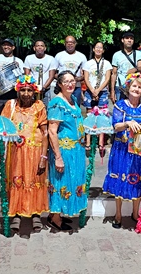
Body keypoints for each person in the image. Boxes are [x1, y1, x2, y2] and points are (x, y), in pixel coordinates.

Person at [102, 73, 141, 229]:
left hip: (139, 151)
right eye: (134, 86)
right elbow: (115, 126)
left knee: (139, 180)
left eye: (139, 87)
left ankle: (135, 212)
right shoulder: (120, 105)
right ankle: (118, 214)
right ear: (128, 88)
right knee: (120, 178)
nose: (136, 89)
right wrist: (128, 123)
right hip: (122, 150)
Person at [1, 75, 49, 234]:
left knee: (34, 180)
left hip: (35, 152)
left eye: (29, 90)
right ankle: (16, 214)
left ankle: (36, 214)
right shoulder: (10, 105)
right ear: (18, 91)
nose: (26, 93)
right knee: (17, 180)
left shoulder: (39, 106)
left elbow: (45, 133)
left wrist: (43, 157)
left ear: (34, 92)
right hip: (15, 152)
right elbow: (2, 127)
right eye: (23, 90)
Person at [46, 70, 88, 231]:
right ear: (59, 84)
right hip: (64, 150)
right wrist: (58, 157)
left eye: (72, 81)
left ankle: (58, 214)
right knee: (60, 181)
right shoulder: (57, 103)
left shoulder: (73, 100)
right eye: (66, 82)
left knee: (72, 182)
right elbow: (52, 131)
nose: (70, 84)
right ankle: (55, 218)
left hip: (76, 150)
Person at [82, 41, 112, 154]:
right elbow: (86, 78)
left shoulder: (107, 63)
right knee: (89, 115)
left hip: (102, 92)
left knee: (102, 116)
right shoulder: (88, 63)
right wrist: (92, 91)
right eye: (97, 47)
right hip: (90, 91)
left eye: (101, 48)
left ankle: (101, 142)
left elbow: (107, 78)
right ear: (93, 49)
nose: (99, 49)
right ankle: (88, 142)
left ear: (103, 50)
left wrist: (98, 90)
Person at [0, 38, 25, 113]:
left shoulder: (18, 60)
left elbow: (22, 77)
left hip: (12, 93)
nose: (6, 47)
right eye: (4, 45)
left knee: (10, 113)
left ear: (13, 47)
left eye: (8, 45)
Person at [110, 32, 141, 103]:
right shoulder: (116, 55)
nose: (129, 40)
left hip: (134, 87)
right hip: (119, 87)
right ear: (123, 40)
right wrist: (112, 91)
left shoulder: (138, 53)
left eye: (131, 38)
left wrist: (135, 69)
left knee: (133, 109)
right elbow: (114, 73)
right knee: (120, 110)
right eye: (127, 38)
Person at [53, 36, 87, 106]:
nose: (70, 44)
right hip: (62, 87)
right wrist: (62, 79)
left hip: (76, 87)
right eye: (67, 42)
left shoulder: (82, 56)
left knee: (75, 106)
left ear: (75, 44)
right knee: (61, 106)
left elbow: (85, 75)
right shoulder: (59, 55)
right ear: (64, 44)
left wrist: (77, 79)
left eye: (72, 42)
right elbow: (54, 73)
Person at [23, 39, 58, 107]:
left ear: (45, 48)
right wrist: (33, 87)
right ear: (34, 48)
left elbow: (52, 76)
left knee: (45, 109)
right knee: (31, 108)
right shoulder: (29, 58)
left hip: (45, 90)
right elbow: (27, 74)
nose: (39, 47)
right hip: (32, 89)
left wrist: (43, 88)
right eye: (37, 46)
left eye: (42, 46)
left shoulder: (51, 59)